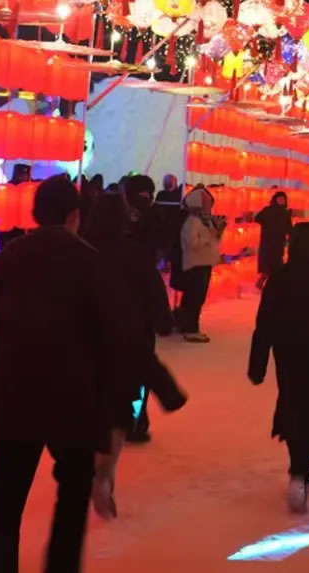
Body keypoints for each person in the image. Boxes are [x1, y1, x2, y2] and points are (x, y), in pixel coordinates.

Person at [0, 175, 133, 573]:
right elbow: (108, 339)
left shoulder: (8, 258)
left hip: (12, 397)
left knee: (3, 509)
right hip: (73, 402)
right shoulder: (89, 261)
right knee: (72, 501)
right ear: (75, 215)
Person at [249, 223, 309, 512]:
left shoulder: (280, 277)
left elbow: (264, 322)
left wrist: (258, 363)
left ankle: (298, 468)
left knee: (292, 403)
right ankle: (305, 466)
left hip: (288, 353)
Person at [84, 191, 186, 455]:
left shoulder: (80, 251)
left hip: (86, 337)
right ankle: (132, 426)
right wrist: (163, 322)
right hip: (131, 336)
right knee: (129, 386)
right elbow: (155, 294)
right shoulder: (135, 255)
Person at [176, 186, 221, 341]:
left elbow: (212, 238)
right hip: (196, 264)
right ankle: (191, 329)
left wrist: (217, 231)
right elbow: (192, 243)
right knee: (194, 298)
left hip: (204, 263)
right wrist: (208, 237)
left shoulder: (203, 221)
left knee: (195, 298)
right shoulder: (192, 222)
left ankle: (185, 325)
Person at [256, 190, 291, 279]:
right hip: (267, 242)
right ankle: (265, 281)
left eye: (283, 199)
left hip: (278, 243)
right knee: (268, 265)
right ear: (275, 200)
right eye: (280, 199)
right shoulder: (268, 210)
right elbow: (257, 219)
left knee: (275, 265)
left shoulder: (286, 213)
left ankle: (269, 282)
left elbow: (289, 228)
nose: (282, 201)